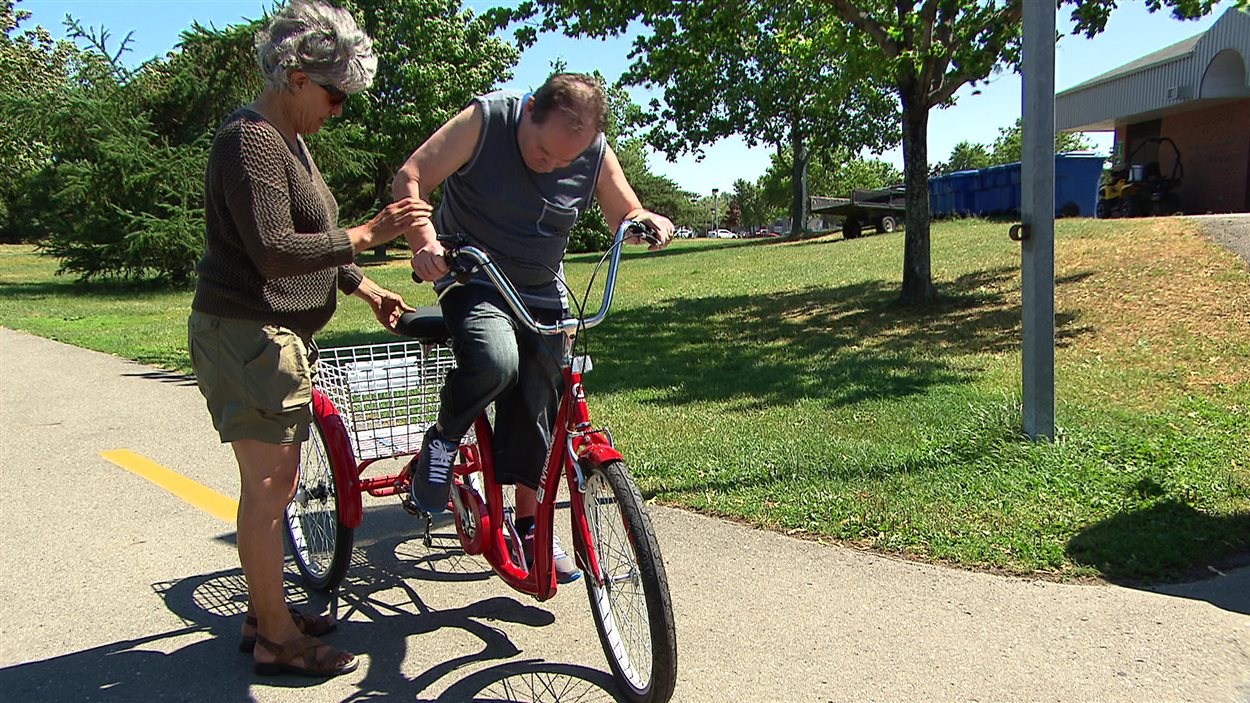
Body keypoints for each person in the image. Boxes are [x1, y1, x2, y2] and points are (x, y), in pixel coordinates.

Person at [188, 0, 430, 678]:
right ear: (296, 76)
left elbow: (308, 237)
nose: (339, 109)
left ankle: (265, 611)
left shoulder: (287, 141)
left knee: (275, 484)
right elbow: (272, 249)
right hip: (247, 333)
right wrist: (368, 234)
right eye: (335, 94)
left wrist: (363, 284)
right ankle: (273, 638)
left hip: (267, 335)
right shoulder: (250, 140)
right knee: (270, 488)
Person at [392, 73, 674, 583]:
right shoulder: (486, 120)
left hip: (542, 290)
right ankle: (443, 440)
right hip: (473, 278)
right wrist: (424, 241)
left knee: (541, 395)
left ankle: (526, 524)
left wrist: (642, 219)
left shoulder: (593, 150)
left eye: (566, 161)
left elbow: (622, 209)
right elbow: (411, 176)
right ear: (528, 112)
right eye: (544, 153)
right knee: (497, 360)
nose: (553, 166)